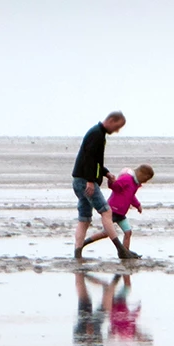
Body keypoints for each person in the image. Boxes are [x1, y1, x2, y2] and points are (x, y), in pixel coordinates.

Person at [71, 111, 130, 261]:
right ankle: (121, 250)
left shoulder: (98, 134)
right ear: (111, 120)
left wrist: (106, 173)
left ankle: (77, 254)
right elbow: (89, 159)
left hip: (79, 180)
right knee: (106, 212)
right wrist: (90, 181)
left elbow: (95, 162)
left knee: (84, 219)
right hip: (85, 181)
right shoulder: (96, 134)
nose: (117, 131)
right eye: (117, 127)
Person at [107, 165, 153, 258]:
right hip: (113, 210)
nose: (145, 181)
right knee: (105, 233)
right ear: (141, 174)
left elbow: (131, 196)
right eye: (146, 179)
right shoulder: (127, 179)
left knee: (128, 232)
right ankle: (85, 242)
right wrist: (111, 181)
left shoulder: (134, 184)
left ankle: (125, 252)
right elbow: (114, 186)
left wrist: (138, 205)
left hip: (121, 213)